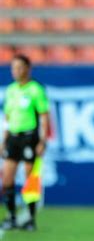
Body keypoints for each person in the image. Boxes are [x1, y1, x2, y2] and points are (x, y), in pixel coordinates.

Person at [1, 54, 50, 231]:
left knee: (30, 179)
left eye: (20, 67)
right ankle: (12, 216)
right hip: (13, 137)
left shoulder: (36, 90)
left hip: (30, 137)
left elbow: (44, 117)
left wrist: (43, 141)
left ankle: (30, 218)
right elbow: (7, 117)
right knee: (7, 178)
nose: (16, 71)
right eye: (13, 68)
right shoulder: (11, 90)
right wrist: (3, 140)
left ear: (28, 69)